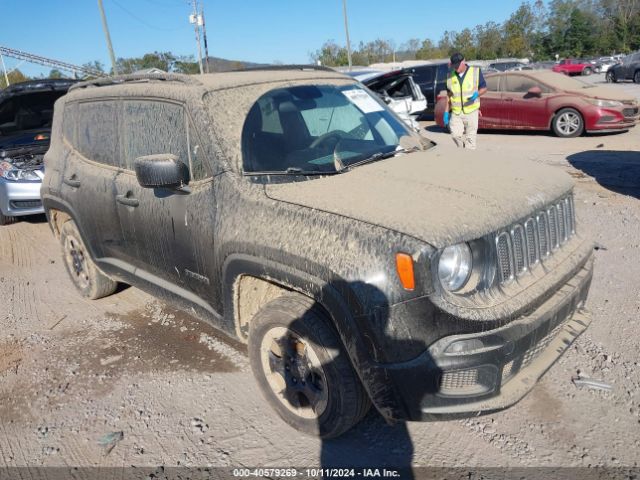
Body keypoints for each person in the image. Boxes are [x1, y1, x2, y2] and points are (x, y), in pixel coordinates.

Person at [443, 52, 487, 150]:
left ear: (464, 61)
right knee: (455, 135)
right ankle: (463, 150)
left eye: (458, 65)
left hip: (471, 111)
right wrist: (446, 112)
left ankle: (468, 159)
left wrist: (477, 94)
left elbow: (484, 88)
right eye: (454, 66)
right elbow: (449, 95)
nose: (456, 68)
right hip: (456, 112)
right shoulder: (449, 76)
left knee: (470, 140)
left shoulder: (475, 72)